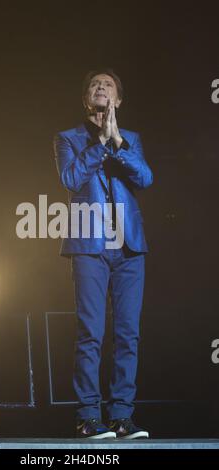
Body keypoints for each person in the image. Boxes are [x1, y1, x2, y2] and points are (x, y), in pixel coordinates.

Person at [53, 69, 153, 439]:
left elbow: (144, 179)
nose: (100, 87)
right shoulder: (68, 138)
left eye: (108, 84)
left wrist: (118, 143)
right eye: (95, 84)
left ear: (119, 99)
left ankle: (122, 417)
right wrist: (101, 144)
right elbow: (69, 179)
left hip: (129, 248)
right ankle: (88, 416)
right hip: (89, 247)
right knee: (91, 333)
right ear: (86, 99)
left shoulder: (132, 139)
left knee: (128, 334)